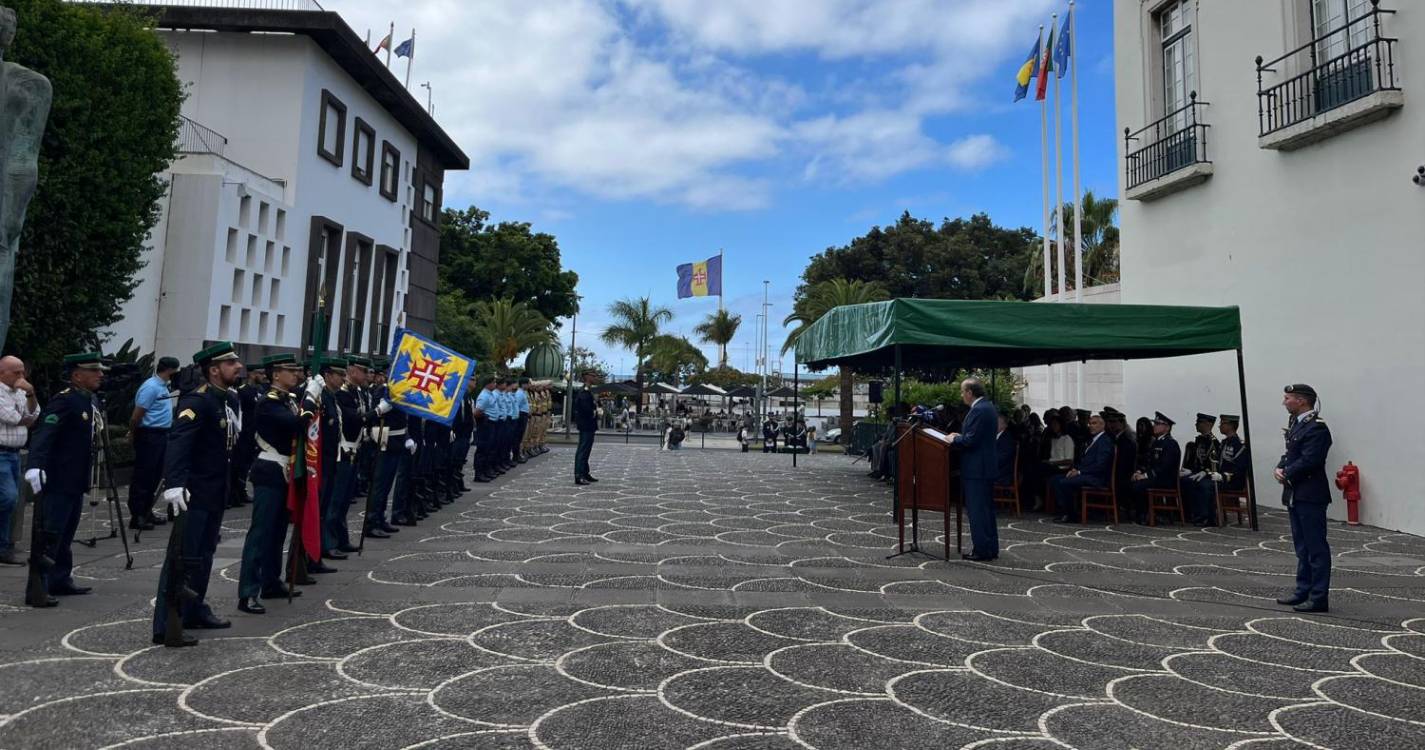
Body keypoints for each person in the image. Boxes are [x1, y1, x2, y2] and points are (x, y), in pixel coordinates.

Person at [152, 342, 243, 645]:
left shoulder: (223, 400)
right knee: (182, 558)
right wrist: (174, 482)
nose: (238, 367)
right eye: (231, 364)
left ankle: (194, 609)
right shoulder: (198, 401)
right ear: (214, 370)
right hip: (194, 493)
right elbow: (179, 441)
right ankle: (166, 623)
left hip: (215, 492)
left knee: (204, 555)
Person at [23, 352, 105, 605]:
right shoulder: (65, 401)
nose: (100, 374)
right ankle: (38, 586)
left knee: (66, 533)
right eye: (94, 371)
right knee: (50, 533)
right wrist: (35, 465)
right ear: (77, 375)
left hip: (75, 478)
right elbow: (45, 433)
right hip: (58, 478)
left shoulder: (88, 400)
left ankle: (60, 578)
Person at [236, 354, 313, 614]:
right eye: (289, 371)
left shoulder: (287, 400)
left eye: (296, 370)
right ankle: (248, 591)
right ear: (276, 374)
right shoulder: (268, 402)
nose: (296, 375)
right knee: (260, 533)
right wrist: (310, 401)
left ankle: (270, 581)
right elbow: (295, 424)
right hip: (269, 470)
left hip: (284, 471)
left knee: (278, 531)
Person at [1275, 384, 1333, 614]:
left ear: (1301, 401)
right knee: (1302, 546)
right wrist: (1280, 467)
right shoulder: (1298, 425)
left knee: (1315, 547)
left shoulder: (1317, 428)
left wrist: (1287, 472)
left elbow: (1311, 459)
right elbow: (1290, 453)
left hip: (1310, 494)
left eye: (1288, 398)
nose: (1284, 402)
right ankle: (1303, 589)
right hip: (1296, 493)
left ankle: (1318, 597)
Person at [127, 356, 179, 530]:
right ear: (169, 370)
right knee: (144, 476)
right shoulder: (151, 387)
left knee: (155, 477)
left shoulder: (163, 386)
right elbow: (137, 415)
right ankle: (137, 515)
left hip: (162, 435)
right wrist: (133, 433)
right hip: (149, 435)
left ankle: (147, 511)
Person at [948, 379, 997, 561]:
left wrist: (954, 440)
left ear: (969, 392)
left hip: (977, 469)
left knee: (977, 511)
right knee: (987, 511)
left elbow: (971, 441)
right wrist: (960, 436)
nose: (962, 396)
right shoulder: (988, 407)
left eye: (963, 392)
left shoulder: (978, 410)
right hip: (986, 467)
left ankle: (981, 550)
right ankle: (991, 547)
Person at [0, 355, 38, 565]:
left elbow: (35, 413)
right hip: (1, 453)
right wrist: (25, 418)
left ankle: (6, 544)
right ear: (2, 372)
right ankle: (3, 545)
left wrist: (30, 393)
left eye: (23, 372)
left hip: (16, 453)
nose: (21, 376)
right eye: (16, 372)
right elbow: (13, 418)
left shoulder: (23, 392)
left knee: (13, 502)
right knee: (8, 498)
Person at [1186, 414, 1251, 527]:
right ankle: (1196, 514)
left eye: (1222, 424)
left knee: (1205, 485)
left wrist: (1223, 476)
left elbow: (1240, 469)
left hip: (1233, 481)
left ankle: (1208, 518)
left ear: (1230, 426)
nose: (1220, 426)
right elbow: (1215, 464)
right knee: (1193, 482)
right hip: (1220, 478)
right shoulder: (1224, 443)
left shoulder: (1239, 445)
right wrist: (1206, 472)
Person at [1051, 412, 1113, 524]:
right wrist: (1075, 469)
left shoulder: (1104, 441)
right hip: (1086, 474)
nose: (1091, 426)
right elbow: (1084, 461)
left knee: (1065, 482)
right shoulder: (1092, 440)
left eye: (1094, 423)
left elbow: (1100, 465)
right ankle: (1065, 511)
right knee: (1056, 479)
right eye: (1090, 423)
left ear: (1102, 425)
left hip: (1097, 478)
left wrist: (1079, 472)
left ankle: (1071, 515)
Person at [1130, 412, 1183, 524]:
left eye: (1158, 424)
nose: (1154, 426)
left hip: (1165, 480)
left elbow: (1164, 467)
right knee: (1133, 482)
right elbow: (1148, 461)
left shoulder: (1170, 444)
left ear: (1167, 427)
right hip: (1155, 477)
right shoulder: (1157, 442)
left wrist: (1144, 476)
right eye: (1155, 423)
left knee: (1140, 486)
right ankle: (1143, 514)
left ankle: (1146, 515)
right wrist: (1139, 471)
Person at [573, 370, 599, 485]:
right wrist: (595, 412)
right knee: (583, 450)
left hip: (589, 424)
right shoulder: (584, 391)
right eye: (593, 376)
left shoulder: (588, 391)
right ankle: (579, 475)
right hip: (586, 423)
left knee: (586, 450)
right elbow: (585, 408)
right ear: (587, 377)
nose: (595, 378)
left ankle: (585, 472)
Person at [995, 412, 1017, 488]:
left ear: (1005, 425)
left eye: (996, 422)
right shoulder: (994, 436)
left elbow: (999, 460)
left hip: (1002, 475)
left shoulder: (1007, 439)